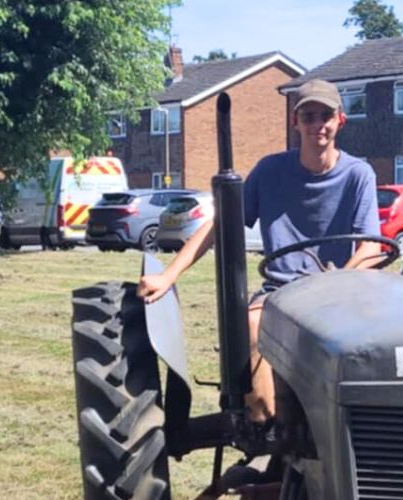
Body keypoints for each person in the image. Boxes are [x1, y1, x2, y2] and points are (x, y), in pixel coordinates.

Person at [137, 79, 382, 423]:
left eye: (325, 116)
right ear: (295, 122)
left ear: (340, 120)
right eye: (308, 116)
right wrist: (168, 274)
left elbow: (371, 245)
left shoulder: (359, 175)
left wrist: (342, 277)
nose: (318, 125)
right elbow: (221, 225)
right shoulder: (270, 171)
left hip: (337, 292)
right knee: (251, 324)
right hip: (281, 293)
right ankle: (268, 425)